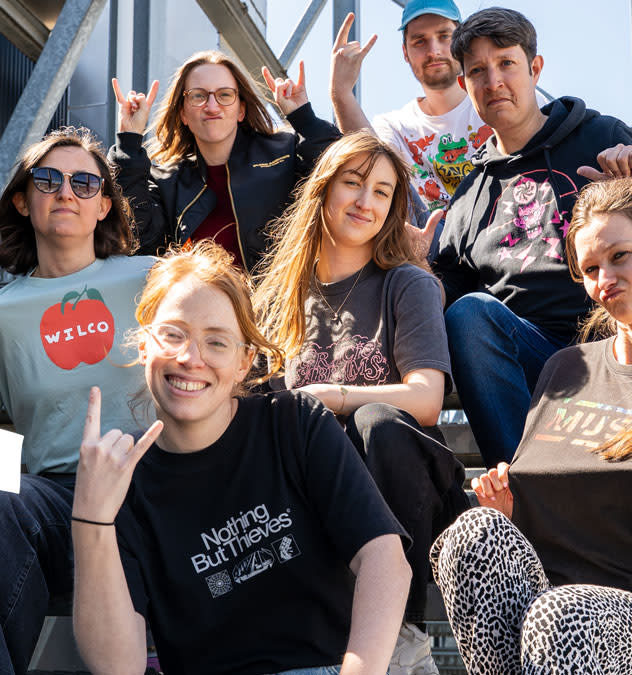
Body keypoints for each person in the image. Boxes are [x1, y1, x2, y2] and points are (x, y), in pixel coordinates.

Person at [431, 177, 632, 673]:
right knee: (473, 532)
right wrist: (511, 511)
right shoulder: (565, 368)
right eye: (591, 268)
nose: (605, 280)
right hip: (543, 611)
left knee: (560, 617)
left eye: (620, 255)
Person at [71, 242, 411, 674]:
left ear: (243, 362)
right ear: (144, 346)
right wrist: (91, 521)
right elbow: (117, 667)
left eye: (216, 342)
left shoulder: (294, 423)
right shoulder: (122, 478)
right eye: (173, 334)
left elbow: (384, 558)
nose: (190, 359)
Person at [0, 126, 153, 673]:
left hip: (153, 480)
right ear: (24, 202)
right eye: (48, 179)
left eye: (84, 182)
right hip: (58, 502)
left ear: (104, 206)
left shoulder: (154, 280)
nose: (66, 191)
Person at [431, 7, 632, 468]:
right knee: (469, 314)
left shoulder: (598, 137)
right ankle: (521, 488)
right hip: (533, 361)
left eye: (506, 63)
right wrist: (404, 260)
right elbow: (445, 300)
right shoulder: (469, 196)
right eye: (476, 71)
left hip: (618, 339)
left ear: (535, 69)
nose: (493, 80)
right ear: (464, 86)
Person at [254, 131, 468, 675]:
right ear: (323, 191)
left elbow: (426, 399)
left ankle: (399, 631)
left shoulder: (406, 285)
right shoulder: (277, 298)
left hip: (402, 484)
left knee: (379, 421)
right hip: (317, 487)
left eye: (382, 192)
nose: (365, 203)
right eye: (353, 184)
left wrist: (334, 396)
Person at [109, 50, 341, 271]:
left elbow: (342, 176)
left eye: (225, 95)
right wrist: (128, 141)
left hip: (281, 307)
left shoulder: (286, 152)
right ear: (183, 114)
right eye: (198, 96)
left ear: (241, 110)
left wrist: (304, 119)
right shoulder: (167, 181)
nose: (211, 106)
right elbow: (137, 238)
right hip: (202, 308)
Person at [329, 1, 491, 219]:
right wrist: (341, 92)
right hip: (427, 248)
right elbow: (372, 170)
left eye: (444, 36)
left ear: (462, 44)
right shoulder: (394, 126)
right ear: (405, 53)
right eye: (419, 41)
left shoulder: (497, 102)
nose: (433, 51)